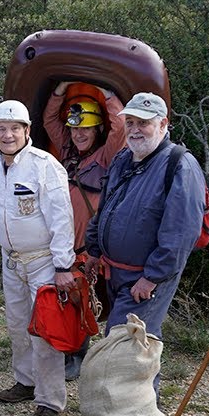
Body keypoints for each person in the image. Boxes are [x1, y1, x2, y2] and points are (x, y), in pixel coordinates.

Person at [0, 101, 77, 416]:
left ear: (27, 131)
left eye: (14, 128)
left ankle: (49, 401)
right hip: (11, 262)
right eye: (1, 129)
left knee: (45, 332)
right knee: (17, 325)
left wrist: (64, 266)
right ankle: (25, 381)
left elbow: (63, 218)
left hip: (44, 262)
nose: (7, 135)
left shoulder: (44, 166)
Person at [84, 92, 205, 349]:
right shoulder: (122, 159)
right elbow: (104, 208)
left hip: (145, 280)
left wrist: (152, 277)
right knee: (137, 347)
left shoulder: (180, 165)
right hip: (115, 273)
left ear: (163, 124)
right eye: (130, 122)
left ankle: (134, 390)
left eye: (143, 123)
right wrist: (93, 252)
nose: (135, 130)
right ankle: (145, 390)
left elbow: (181, 233)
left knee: (124, 346)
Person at [41, 82, 126, 380]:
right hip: (64, 242)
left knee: (87, 299)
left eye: (86, 129)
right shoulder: (66, 152)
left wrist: (108, 93)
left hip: (89, 245)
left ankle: (86, 356)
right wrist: (60, 90)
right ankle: (69, 352)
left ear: (97, 130)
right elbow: (50, 121)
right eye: (76, 129)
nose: (79, 134)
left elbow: (121, 126)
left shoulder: (106, 157)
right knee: (70, 300)